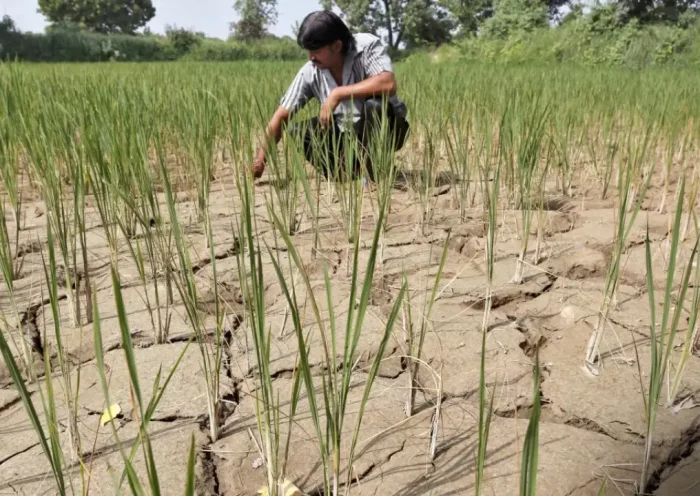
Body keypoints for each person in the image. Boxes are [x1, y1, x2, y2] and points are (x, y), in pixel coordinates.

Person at [251, 10, 410, 182]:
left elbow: (388, 83)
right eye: (308, 51)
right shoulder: (310, 71)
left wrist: (339, 93)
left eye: (316, 50)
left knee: (375, 106)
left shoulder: (366, 47)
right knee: (298, 131)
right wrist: (260, 160)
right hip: (346, 134)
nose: (311, 57)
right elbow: (282, 115)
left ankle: (375, 173)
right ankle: (347, 173)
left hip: (387, 129)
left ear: (336, 46)